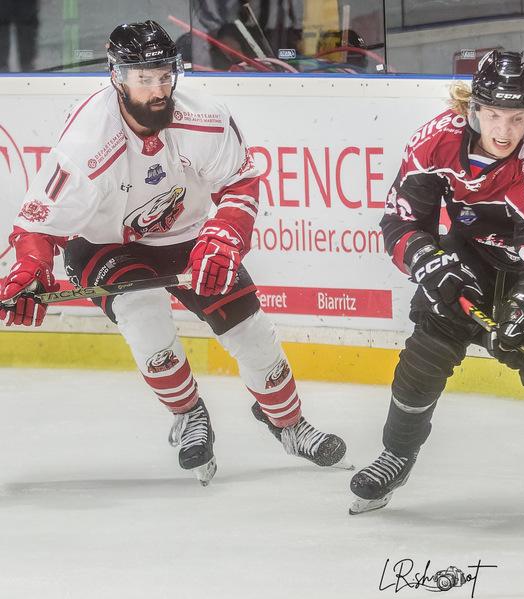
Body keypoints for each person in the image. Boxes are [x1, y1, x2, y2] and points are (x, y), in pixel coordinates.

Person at [0, 20, 347, 485]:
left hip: (188, 238)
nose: (158, 89)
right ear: (116, 77)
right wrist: (30, 269)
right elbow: (36, 227)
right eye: (143, 78)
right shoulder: (86, 144)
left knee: (251, 333)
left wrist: (225, 234)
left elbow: (241, 181)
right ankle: (188, 413)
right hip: (105, 245)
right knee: (144, 314)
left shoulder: (204, 116)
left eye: (164, 75)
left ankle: (288, 423)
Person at [349, 50, 524, 514]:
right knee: (430, 342)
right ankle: (398, 452)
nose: (503, 131)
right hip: (479, 244)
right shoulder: (436, 141)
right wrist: (425, 258)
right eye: (493, 115)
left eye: (517, 118)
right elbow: (400, 221)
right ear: (473, 109)